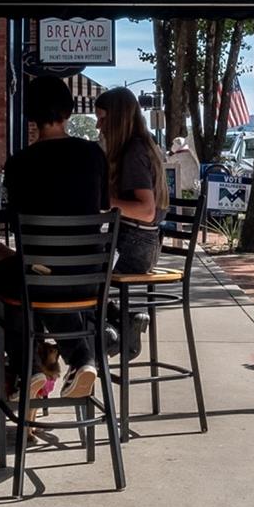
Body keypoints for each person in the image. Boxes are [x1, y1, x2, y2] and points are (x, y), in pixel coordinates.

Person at [0, 75, 110, 399]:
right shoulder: (93, 155)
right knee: (40, 278)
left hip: (40, 275)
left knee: (2, 279)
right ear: (69, 111)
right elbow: (103, 206)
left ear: (29, 115)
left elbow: (13, 215)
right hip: (89, 276)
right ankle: (81, 359)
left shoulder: (18, 163)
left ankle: (28, 369)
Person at [96, 87, 170, 360]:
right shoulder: (143, 146)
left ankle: (108, 334)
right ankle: (121, 321)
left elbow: (147, 210)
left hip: (134, 246)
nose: (98, 125)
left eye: (102, 118)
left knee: (74, 271)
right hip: (142, 244)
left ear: (118, 118)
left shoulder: (133, 152)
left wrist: (104, 201)